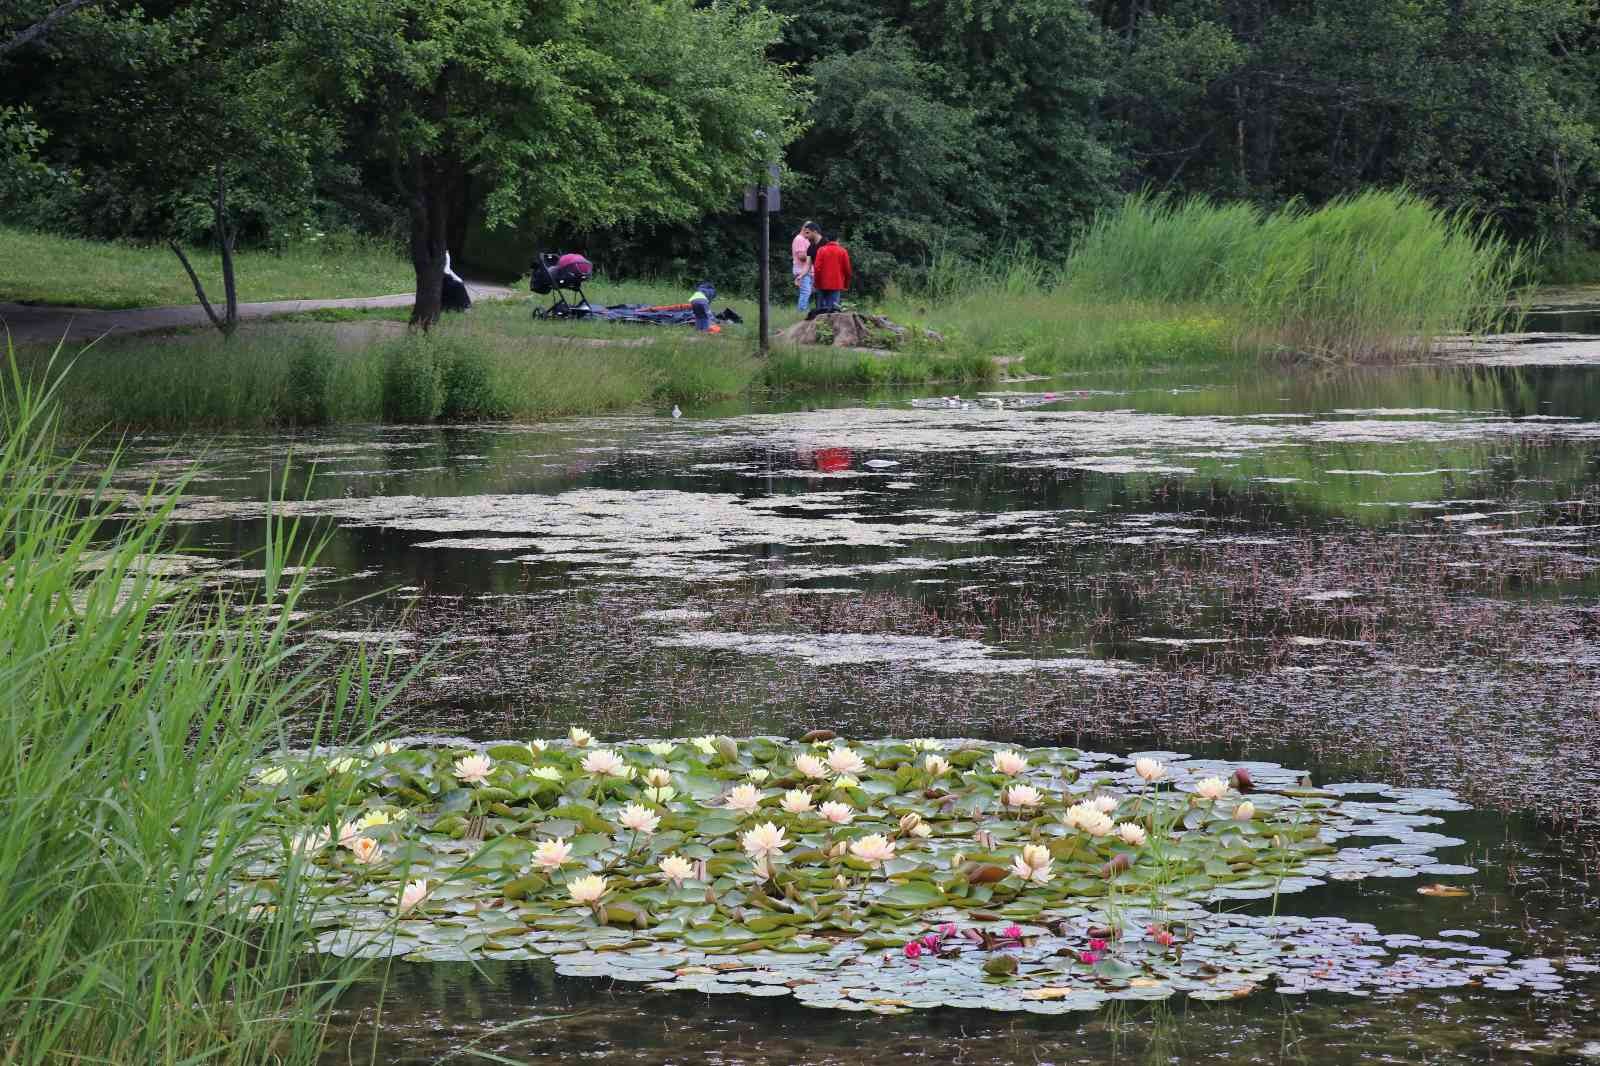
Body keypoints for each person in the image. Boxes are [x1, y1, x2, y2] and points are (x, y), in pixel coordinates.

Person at [808, 232, 852, 319]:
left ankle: (819, 329)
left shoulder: (821, 250)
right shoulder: (843, 251)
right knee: (834, 311)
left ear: (827, 239)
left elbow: (817, 268)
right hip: (837, 284)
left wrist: (816, 283)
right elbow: (847, 270)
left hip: (821, 284)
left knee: (820, 312)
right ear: (838, 240)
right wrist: (846, 285)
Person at [791, 221, 820, 312]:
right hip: (801, 270)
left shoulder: (805, 239)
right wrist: (814, 255)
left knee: (809, 292)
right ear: (804, 228)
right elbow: (800, 256)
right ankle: (801, 311)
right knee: (805, 292)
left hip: (808, 270)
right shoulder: (799, 239)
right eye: (808, 230)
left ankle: (805, 311)